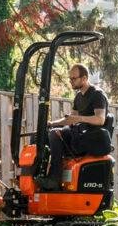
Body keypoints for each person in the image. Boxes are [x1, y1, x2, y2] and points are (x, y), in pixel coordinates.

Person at [35, 63, 111, 191]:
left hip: (90, 137)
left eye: (74, 78)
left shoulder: (97, 94)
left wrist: (79, 119)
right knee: (43, 135)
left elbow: (100, 119)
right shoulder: (78, 97)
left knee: (54, 134)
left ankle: (54, 179)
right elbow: (71, 119)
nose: (71, 81)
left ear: (84, 78)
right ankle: (41, 175)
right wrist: (52, 123)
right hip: (79, 134)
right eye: (70, 78)